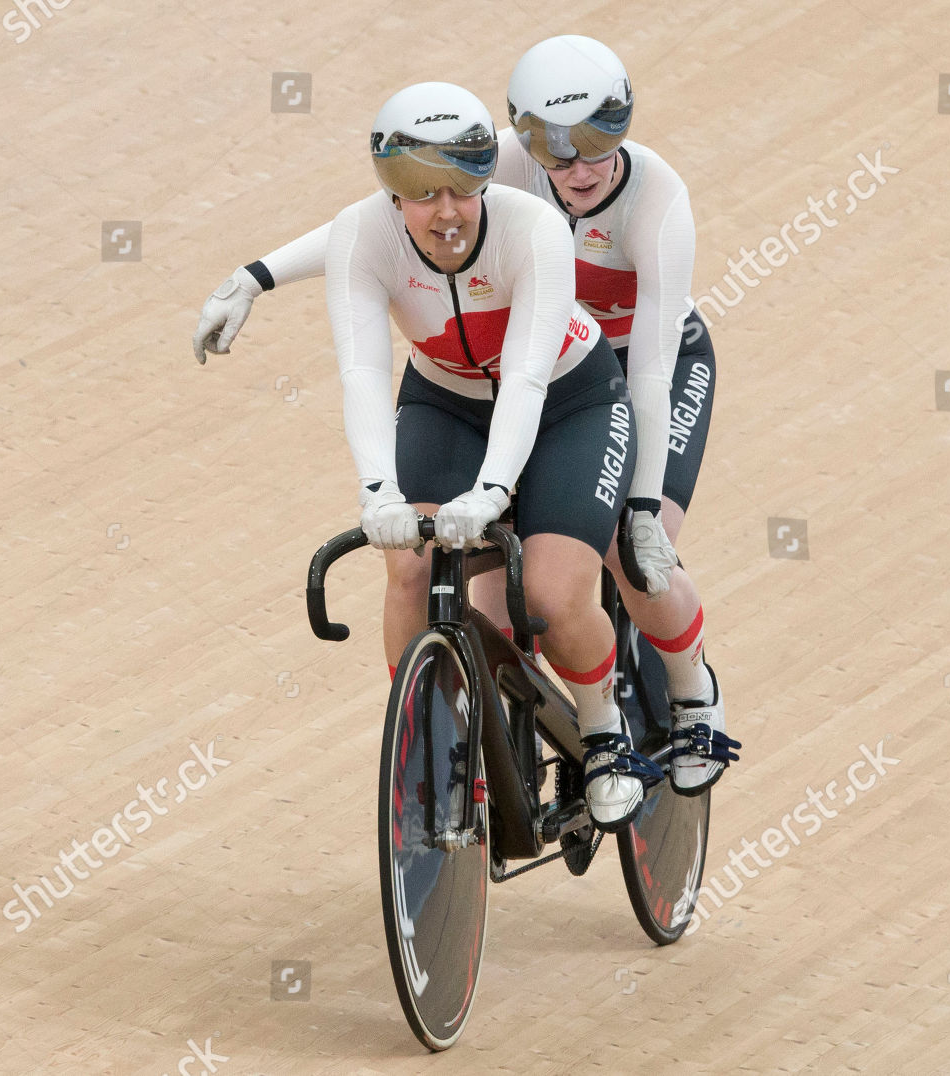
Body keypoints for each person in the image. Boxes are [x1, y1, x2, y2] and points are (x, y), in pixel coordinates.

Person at [197, 43, 740, 796]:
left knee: (631, 552)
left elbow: (644, 365)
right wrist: (258, 275)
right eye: (556, 147)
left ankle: (692, 694)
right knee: (501, 614)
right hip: (493, 373)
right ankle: (484, 738)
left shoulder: (655, 199)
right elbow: (385, 228)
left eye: (599, 141)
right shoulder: (494, 173)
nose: (579, 167)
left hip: (634, 365)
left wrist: (643, 502)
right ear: (520, 139)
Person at [268, 80, 662, 831]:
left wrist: (490, 491)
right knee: (410, 566)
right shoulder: (361, 236)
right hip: (444, 403)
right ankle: (421, 744)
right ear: (392, 193)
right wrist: (378, 492)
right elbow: (361, 372)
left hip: (568, 405)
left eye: (462, 187)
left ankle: (606, 729)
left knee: (548, 592)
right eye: (423, 194)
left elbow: (525, 377)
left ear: (487, 178)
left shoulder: (534, 228)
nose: (446, 211)